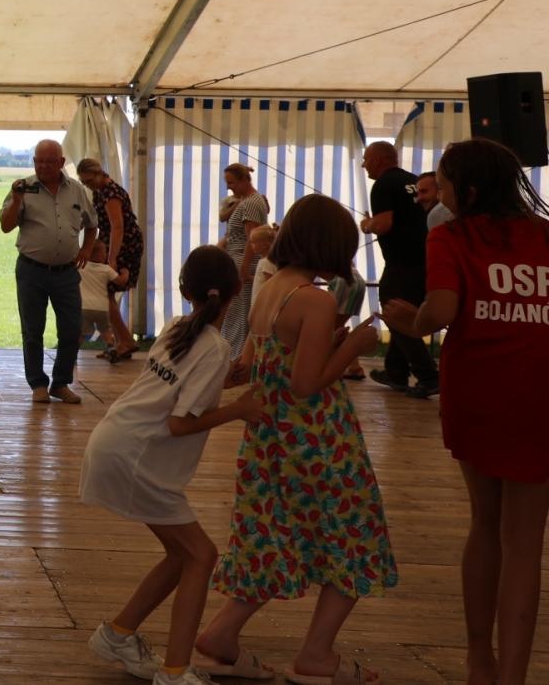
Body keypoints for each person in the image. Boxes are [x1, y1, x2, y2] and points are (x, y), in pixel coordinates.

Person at [198, 194, 395, 685]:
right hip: (317, 441)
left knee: (272, 537)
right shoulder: (315, 298)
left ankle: (221, 634)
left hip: (270, 438)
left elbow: (271, 363)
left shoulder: (271, 286)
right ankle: (316, 655)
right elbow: (306, 384)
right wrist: (353, 345)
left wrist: (327, 340)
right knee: (353, 537)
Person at [381, 139, 549, 685]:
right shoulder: (546, 235)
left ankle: (480, 656)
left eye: (445, 183)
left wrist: (410, 319)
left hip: (479, 390)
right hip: (540, 395)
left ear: (468, 190)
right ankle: (514, 676)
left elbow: (441, 313)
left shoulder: (449, 235)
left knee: (484, 522)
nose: (438, 193)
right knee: (525, 544)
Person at [81, 246, 264, 685]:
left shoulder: (178, 327)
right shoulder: (215, 346)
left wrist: (234, 379)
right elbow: (182, 422)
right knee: (202, 555)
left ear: (186, 291)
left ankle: (118, 634)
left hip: (115, 440)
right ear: (237, 291)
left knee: (181, 555)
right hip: (136, 456)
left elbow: (182, 387)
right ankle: (176, 670)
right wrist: (240, 410)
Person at [0, 139, 97, 405]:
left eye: (49, 161)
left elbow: (92, 224)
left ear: (62, 163)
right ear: (33, 162)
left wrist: (87, 249)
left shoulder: (76, 190)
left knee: (71, 328)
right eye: (38, 161)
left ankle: (61, 383)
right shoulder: (22, 188)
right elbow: (5, 226)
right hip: (32, 270)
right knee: (32, 330)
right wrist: (17, 198)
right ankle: (38, 384)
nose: (43, 166)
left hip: (66, 273)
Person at [360, 140, 439, 399]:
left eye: (366, 159)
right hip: (426, 259)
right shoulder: (415, 180)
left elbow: (383, 224)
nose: (363, 164)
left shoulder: (382, 184)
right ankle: (395, 371)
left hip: (401, 262)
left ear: (380, 160)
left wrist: (366, 224)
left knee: (393, 310)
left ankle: (428, 375)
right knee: (403, 313)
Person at [76, 158, 145, 363]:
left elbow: (118, 227)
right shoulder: (101, 191)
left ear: (99, 173)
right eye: (84, 182)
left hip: (124, 244)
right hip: (112, 244)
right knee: (106, 295)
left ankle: (125, 341)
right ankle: (121, 342)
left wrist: (112, 258)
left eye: (89, 180)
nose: (87, 184)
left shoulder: (111, 193)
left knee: (106, 294)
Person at [217, 164, 268, 360]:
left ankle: (237, 358)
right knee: (235, 312)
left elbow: (252, 239)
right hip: (237, 261)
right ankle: (235, 356)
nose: (229, 187)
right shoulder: (248, 201)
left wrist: (244, 269)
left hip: (243, 264)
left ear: (245, 180)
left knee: (239, 314)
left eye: (232, 183)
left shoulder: (251, 203)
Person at [80, 241, 117, 356]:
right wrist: (124, 275)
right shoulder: (106, 269)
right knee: (105, 330)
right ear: (100, 255)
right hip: (102, 308)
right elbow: (119, 280)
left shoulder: (81, 266)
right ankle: (111, 348)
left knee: (80, 333)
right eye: (105, 252)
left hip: (84, 307)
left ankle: (72, 354)